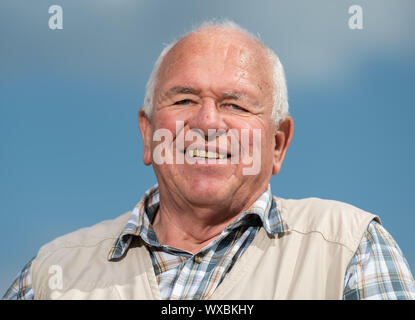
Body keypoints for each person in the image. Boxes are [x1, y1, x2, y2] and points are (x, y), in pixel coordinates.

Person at [3, 20, 415, 300]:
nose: (207, 122)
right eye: (184, 99)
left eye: (235, 105)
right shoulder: (53, 273)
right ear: (147, 134)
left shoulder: (349, 248)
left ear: (277, 145)